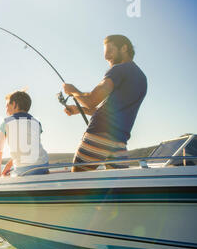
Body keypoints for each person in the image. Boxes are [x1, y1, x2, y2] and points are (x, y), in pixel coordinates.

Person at [63, 34, 147, 172]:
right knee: (116, 189)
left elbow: (91, 101)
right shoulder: (142, 78)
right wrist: (79, 110)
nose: (106, 57)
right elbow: (112, 110)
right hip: (119, 142)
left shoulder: (118, 70)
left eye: (110, 51)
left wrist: (72, 91)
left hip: (99, 134)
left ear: (124, 48)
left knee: (78, 181)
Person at [0, 91, 49, 177]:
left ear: (14, 104)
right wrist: (8, 165)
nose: (6, 109)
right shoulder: (36, 122)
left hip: (24, 169)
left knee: (8, 174)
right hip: (43, 165)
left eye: (7, 106)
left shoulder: (6, 123)